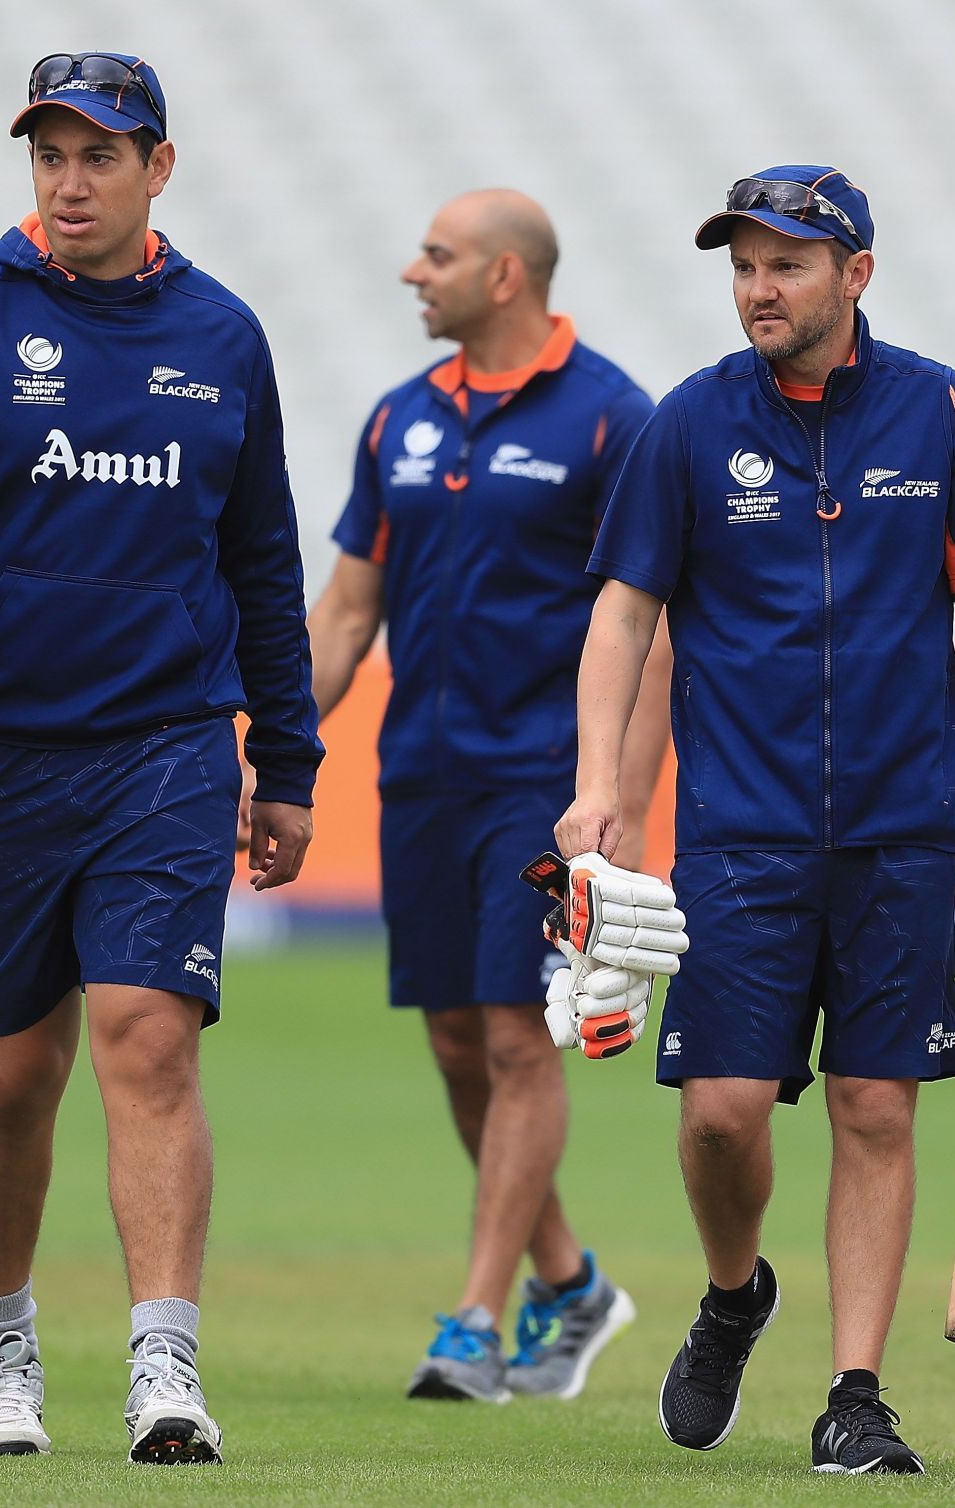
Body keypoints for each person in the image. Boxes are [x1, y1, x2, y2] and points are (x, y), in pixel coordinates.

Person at [0, 52, 320, 1465]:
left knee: (149, 1040)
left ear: (157, 167)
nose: (68, 179)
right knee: (8, 1076)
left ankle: (163, 1372)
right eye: (49, 152)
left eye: (99, 154)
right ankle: (1, 1351)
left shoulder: (225, 336)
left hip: (168, 751)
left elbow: (264, 562)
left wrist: (284, 758)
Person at [556, 165, 955, 1474]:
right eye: (743, 265)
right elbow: (623, 613)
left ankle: (854, 1396)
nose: (758, 288)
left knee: (877, 1113)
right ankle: (735, 1295)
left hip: (898, 831)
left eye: (786, 263)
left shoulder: (943, 411)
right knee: (722, 1111)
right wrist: (598, 787)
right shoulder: (687, 424)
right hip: (741, 828)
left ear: (856, 274)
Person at [308, 189, 669, 1403]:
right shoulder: (397, 420)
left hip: (544, 782)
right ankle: (569, 1283)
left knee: (519, 1034)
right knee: (459, 1038)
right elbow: (350, 607)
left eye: (439, 255)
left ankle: (474, 1316)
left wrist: (613, 793)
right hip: (421, 772)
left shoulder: (617, 419)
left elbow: (649, 623)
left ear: (507, 275)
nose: (415, 272)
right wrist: (275, 745)